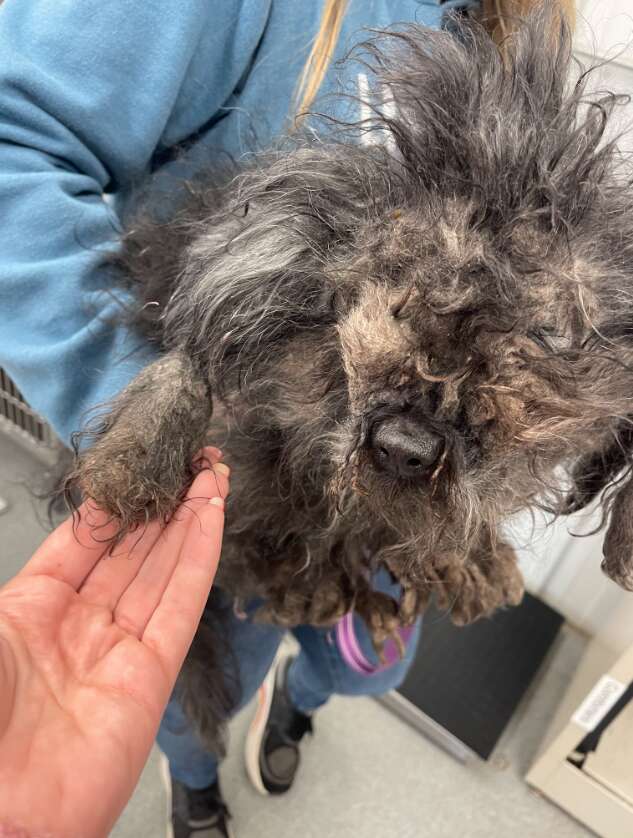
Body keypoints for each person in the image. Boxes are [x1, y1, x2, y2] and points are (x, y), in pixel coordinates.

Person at [0, 2, 573, 837]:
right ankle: (196, 780)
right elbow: (14, 144)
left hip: (400, 499)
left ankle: (298, 709)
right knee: (184, 680)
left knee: (366, 668)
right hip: (229, 478)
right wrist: (154, 418)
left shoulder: (516, 22)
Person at [0, 454, 229, 838]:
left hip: (270, 517)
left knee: (233, 666)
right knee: (179, 695)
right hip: (127, 467)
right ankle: (194, 774)